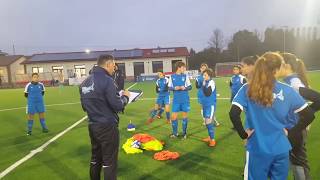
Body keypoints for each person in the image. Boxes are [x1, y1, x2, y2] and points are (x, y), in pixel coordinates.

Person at [229, 52, 315, 180]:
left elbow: (233, 113)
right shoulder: (288, 90)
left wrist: (244, 134)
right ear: (277, 69)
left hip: (257, 148)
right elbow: (308, 115)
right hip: (281, 148)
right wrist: (291, 132)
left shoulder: (248, 88)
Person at [79, 54, 130, 180]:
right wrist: (126, 97)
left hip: (93, 126)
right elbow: (117, 105)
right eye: (113, 65)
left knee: (95, 159)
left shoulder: (84, 82)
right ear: (107, 64)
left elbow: (84, 107)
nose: (114, 68)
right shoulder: (107, 80)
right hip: (107, 126)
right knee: (109, 163)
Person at [280, 52, 320, 180]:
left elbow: (318, 98)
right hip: (293, 128)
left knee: (298, 164)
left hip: (295, 130)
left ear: (285, 65)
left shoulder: (293, 83)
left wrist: (303, 118)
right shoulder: (289, 81)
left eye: (278, 63)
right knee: (294, 162)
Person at [168, 61, 192, 139]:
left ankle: (184, 133)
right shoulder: (172, 77)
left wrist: (185, 88)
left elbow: (190, 87)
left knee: (184, 117)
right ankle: (175, 133)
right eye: (183, 67)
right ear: (179, 68)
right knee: (174, 117)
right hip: (176, 100)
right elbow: (168, 87)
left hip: (185, 99)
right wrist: (174, 88)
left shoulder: (185, 76)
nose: (184, 69)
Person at [200, 68, 217, 147]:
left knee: (208, 122)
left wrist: (203, 86)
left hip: (210, 105)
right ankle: (210, 137)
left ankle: (213, 140)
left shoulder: (211, 82)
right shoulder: (205, 82)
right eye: (203, 75)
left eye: (205, 75)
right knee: (207, 122)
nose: (204, 76)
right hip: (205, 105)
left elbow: (207, 93)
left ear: (209, 76)